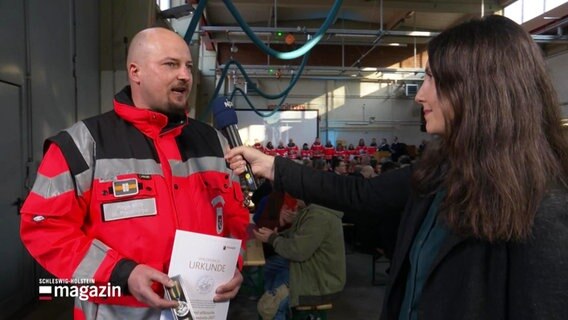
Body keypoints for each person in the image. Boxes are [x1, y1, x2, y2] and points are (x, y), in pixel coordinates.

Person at [227, 15, 568, 320]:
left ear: (479, 90)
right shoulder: (442, 170)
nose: (420, 95)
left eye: (433, 79)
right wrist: (273, 167)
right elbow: (359, 194)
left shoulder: (543, 205)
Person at [20, 27, 249, 319]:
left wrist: (233, 266)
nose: (185, 76)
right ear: (135, 72)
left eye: (189, 67)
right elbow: (43, 226)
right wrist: (120, 274)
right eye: (171, 64)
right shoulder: (82, 144)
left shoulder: (216, 143)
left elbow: (237, 219)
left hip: (201, 311)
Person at [255, 199, 346, 320]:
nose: (295, 200)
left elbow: (297, 251)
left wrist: (273, 238)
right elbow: (298, 239)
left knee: (270, 306)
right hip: (311, 269)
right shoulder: (314, 210)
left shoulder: (319, 215)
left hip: (318, 280)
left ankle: (277, 307)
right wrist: (277, 235)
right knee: (267, 270)